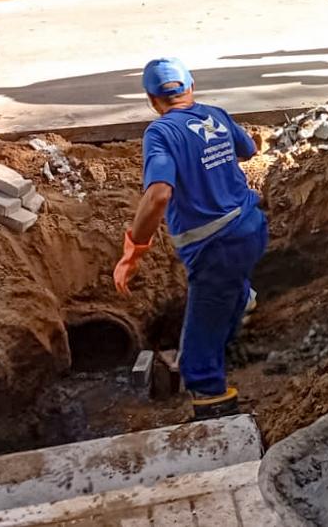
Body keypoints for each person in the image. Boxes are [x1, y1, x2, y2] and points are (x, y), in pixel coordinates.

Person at [113, 57, 268, 421]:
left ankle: (214, 407)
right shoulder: (215, 113)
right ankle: (240, 305)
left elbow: (159, 195)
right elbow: (248, 149)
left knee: (197, 351)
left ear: (153, 101)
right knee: (230, 290)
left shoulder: (161, 133)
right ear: (191, 88)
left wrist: (133, 251)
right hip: (252, 228)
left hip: (215, 247)